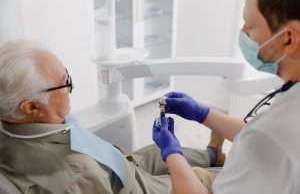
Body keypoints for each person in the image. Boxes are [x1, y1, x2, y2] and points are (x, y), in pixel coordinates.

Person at [0, 40, 225, 194]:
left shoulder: (17, 124)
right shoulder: (76, 177)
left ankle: (212, 154)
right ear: (32, 107)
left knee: (156, 152)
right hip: (127, 187)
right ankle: (215, 169)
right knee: (206, 177)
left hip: (114, 165)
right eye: (64, 82)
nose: (72, 85)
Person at [152, 0, 300, 193]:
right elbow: (260, 138)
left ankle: (211, 156)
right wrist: (202, 114)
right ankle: (212, 155)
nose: (243, 32)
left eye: (250, 25)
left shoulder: (272, 133)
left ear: (288, 39)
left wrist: (171, 153)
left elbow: (266, 139)